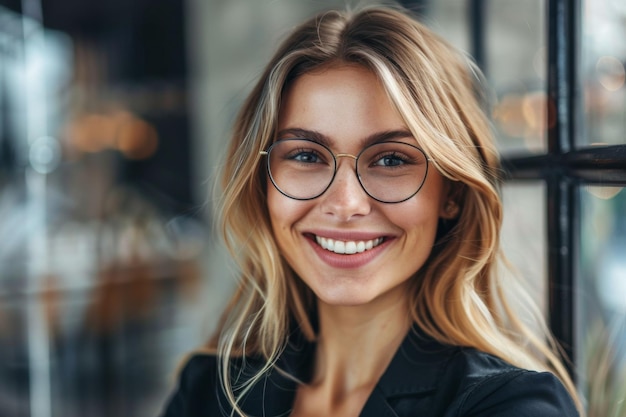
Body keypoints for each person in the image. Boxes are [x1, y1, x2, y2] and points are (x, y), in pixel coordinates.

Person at [161, 4, 582, 417]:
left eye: (392, 160)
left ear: (451, 193)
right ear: (263, 182)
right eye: (307, 156)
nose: (345, 204)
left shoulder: (512, 407)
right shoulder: (207, 390)